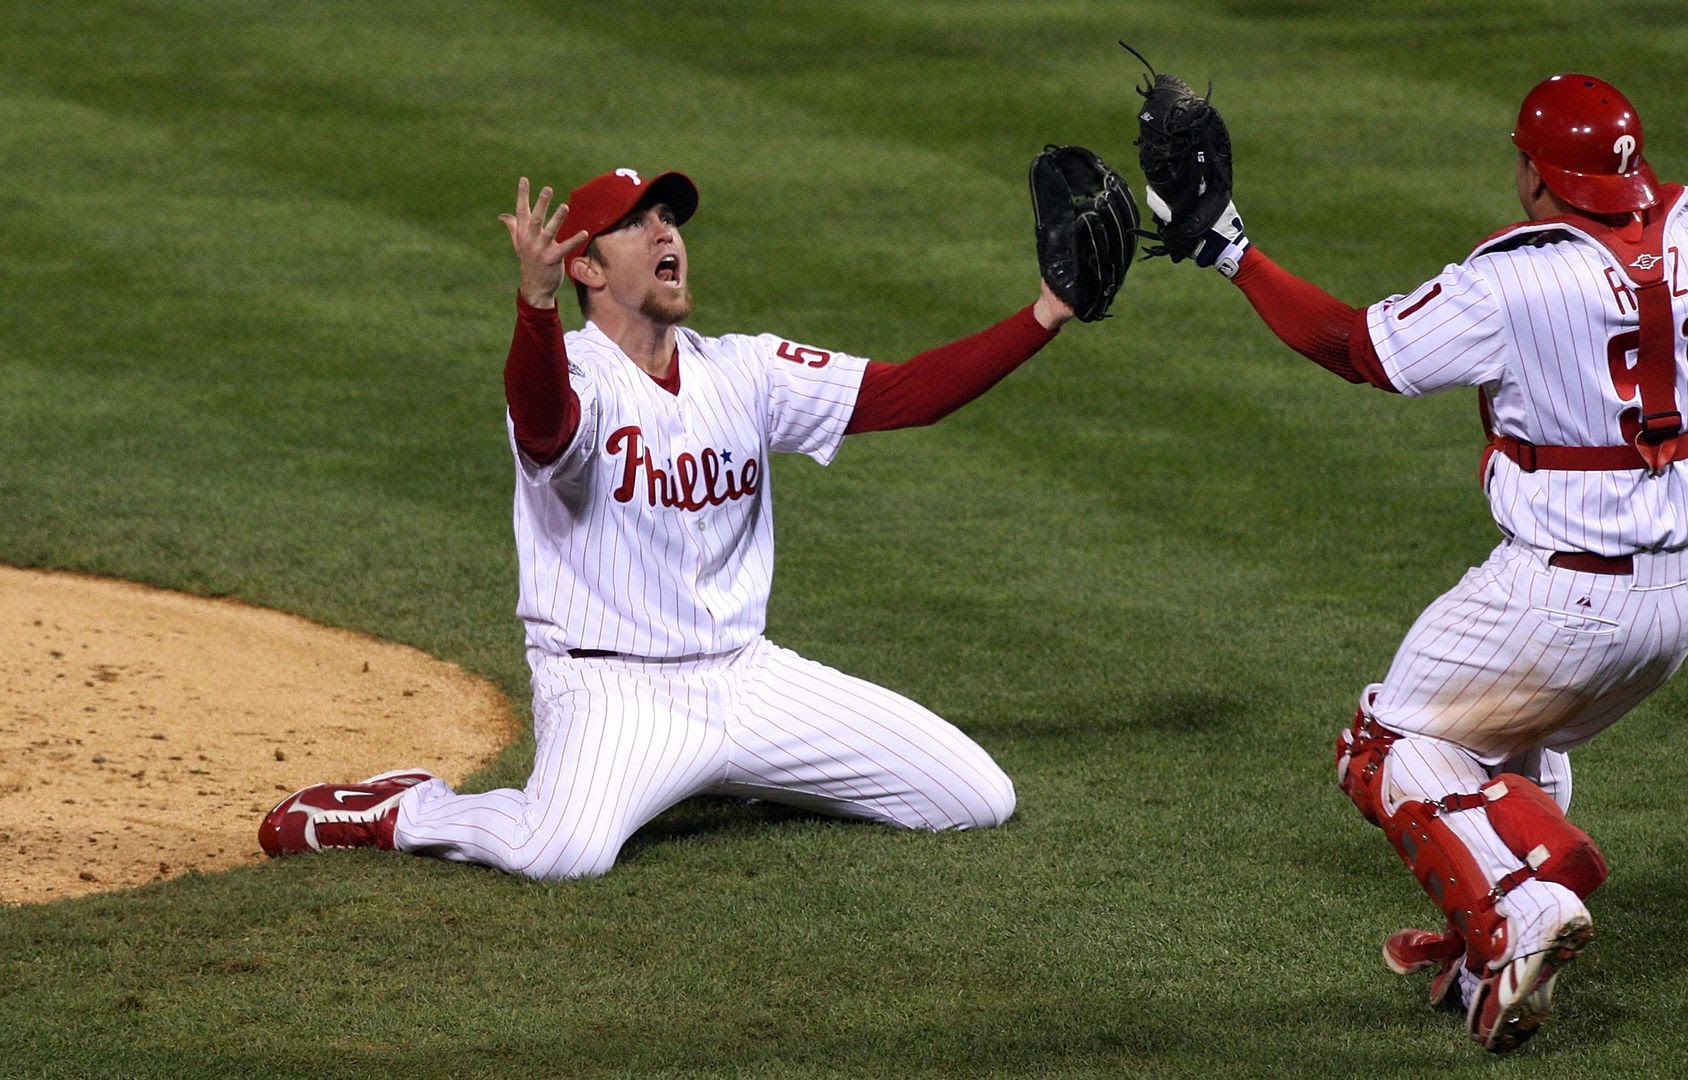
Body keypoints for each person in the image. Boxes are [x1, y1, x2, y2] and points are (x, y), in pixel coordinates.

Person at [1156, 67, 1688, 1052]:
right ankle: (1490, 956)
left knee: (1386, 747)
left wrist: (1231, 252)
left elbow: (1355, 349)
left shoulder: (1512, 280)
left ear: (1537, 175)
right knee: (1510, 742)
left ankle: (1523, 908)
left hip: (1564, 596)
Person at [259, 165, 1090, 880]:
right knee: (562, 852)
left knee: (974, 797)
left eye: (670, 218)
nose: (667, 233)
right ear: (586, 265)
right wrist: (535, 306)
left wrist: (1046, 312)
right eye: (637, 222)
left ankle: (738, 772)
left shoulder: (746, 368)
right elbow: (545, 427)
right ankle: (404, 810)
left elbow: (906, 395)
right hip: (611, 690)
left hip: (748, 678)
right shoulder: (573, 374)